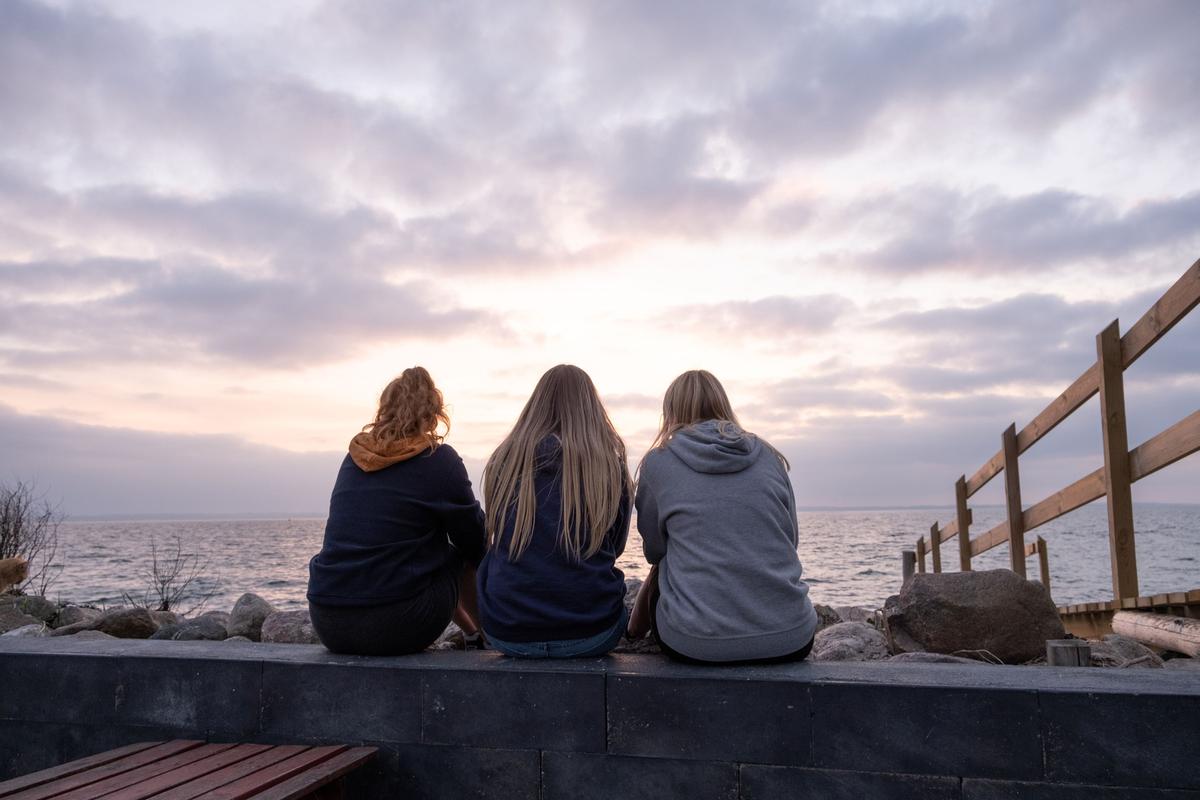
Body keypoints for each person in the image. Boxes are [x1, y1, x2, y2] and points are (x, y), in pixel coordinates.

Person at [626, 369, 818, 664]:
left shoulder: (658, 462)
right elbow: (789, 539)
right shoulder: (768, 455)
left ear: (670, 411)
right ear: (723, 404)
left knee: (666, 563)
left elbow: (654, 550)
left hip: (696, 644)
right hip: (791, 636)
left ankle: (631, 633)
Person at [307, 367, 485, 655]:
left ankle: (473, 634)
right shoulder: (439, 460)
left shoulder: (354, 458)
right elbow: (475, 544)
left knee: (426, 555)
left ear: (384, 410)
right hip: (396, 626)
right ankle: (485, 635)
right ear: (433, 412)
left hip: (328, 621)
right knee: (456, 553)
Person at [476, 364, 632, 658]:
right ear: (590, 408)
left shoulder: (504, 463)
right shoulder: (610, 466)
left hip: (508, 633)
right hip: (593, 632)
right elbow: (617, 546)